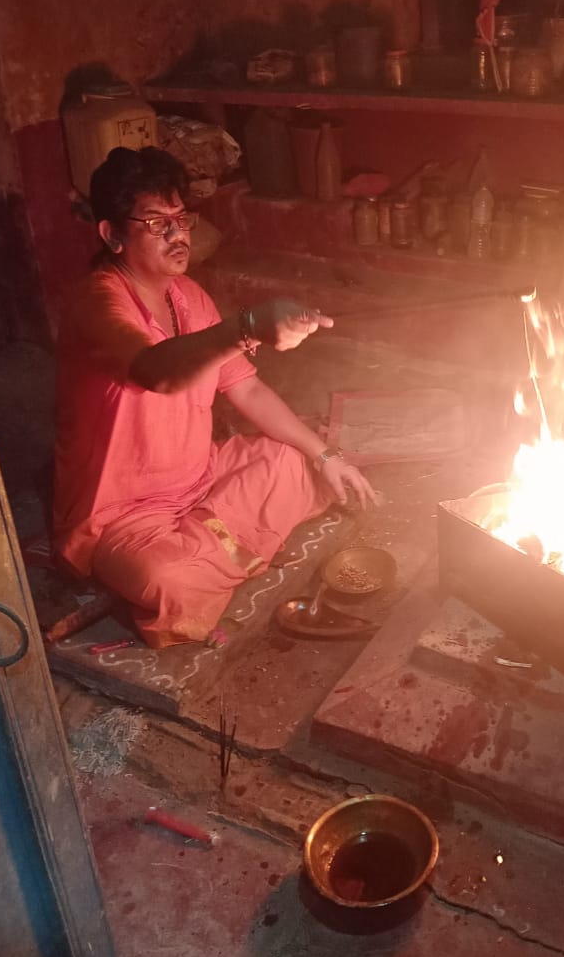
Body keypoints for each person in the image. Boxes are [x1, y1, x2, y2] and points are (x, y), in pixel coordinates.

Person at [53, 145, 375, 649]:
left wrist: (326, 454)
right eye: (157, 223)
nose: (179, 234)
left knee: (298, 460)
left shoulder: (190, 297)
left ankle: (213, 544)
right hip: (122, 511)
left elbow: (245, 386)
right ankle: (213, 550)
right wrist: (246, 325)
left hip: (199, 474)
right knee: (168, 579)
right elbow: (157, 372)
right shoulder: (99, 301)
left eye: (181, 218)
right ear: (111, 234)